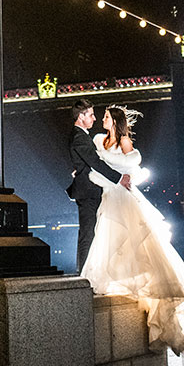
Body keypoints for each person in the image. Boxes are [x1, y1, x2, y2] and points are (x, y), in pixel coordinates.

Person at [81, 105, 184, 354]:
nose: (102, 120)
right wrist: (111, 171)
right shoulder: (98, 140)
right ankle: (117, 285)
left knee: (135, 242)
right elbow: (97, 168)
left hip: (124, 198)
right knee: (108, 240)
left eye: (105, 117)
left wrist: (112, 168)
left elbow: (133, 168)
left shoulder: (125, 142)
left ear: (115, 121)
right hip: (109, 198)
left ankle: (140, 288)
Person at [67, 99, 130, 273]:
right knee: (88, 233)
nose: (95, 119)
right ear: (81, 117)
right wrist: (119, 178)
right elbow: (95, 162)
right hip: (87, 192)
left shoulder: (81, 135)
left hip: (91, 190)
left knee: (93, 232)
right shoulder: (79, 136)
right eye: (91, 115)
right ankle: (84, 275)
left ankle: (89, 272)